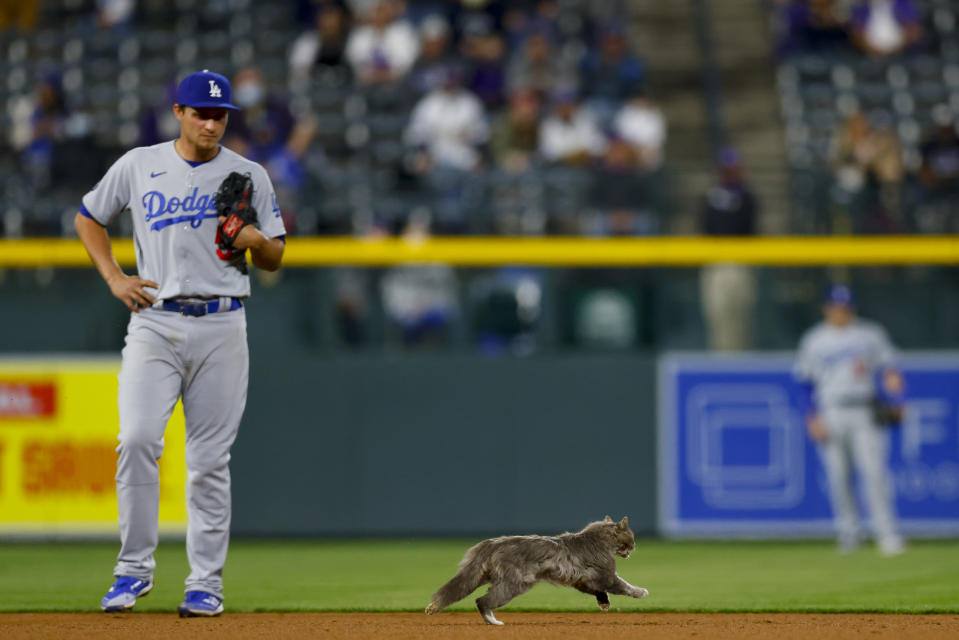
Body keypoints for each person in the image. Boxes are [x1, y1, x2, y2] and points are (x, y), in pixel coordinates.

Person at [75, 70, 286, 617]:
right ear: (178, 112)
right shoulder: (140, 164)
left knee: (209, 461)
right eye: (201, 113)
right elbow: (88, 217)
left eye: (220, 115)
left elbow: (276, 257)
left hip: (223, 321)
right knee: (138, 439)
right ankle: (132, 571)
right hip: (156, 319)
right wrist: (115, 278)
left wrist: (256, 239)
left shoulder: (248, 173)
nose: (211, 122)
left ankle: (205, 584)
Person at [794, 284, 906, 556]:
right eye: (835, 306)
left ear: (852, 308)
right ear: (826, 308)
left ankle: (887, 534)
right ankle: (849, 532)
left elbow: (890, 369)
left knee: (874, 473)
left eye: (844, 307)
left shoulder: (870, 334)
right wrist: (812, 417)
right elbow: (805, 382)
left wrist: (900, 398)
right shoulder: (815, 339)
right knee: (837, 476)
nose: (839, 312)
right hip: (830, 410)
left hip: (864, 410)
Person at [699, 147, 758, 351]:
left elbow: (748, 227)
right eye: (726, 168)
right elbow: (705, 227)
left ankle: (741, 361)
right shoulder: (711, 196)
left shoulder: (747, 196)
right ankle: (719, 360)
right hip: (716, 262)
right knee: (717, 315)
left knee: (741, 316)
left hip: (740, 262)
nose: (730, 172)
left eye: (733, 167)